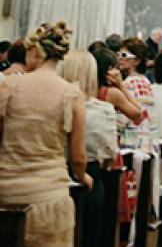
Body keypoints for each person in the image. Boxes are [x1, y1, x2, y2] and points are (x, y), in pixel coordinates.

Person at [0, 21, 91, 247]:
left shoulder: (8, 86)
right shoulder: (72, 94)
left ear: (35, 51)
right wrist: (83, 177)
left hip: (6, 193)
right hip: (49, 195)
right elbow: (78, 157)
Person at [62, 49, 117, 247]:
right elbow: (109, 153)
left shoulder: (53, 106)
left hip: (56, 174)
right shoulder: (103, 110)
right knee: (89, 235)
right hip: (90, 176)